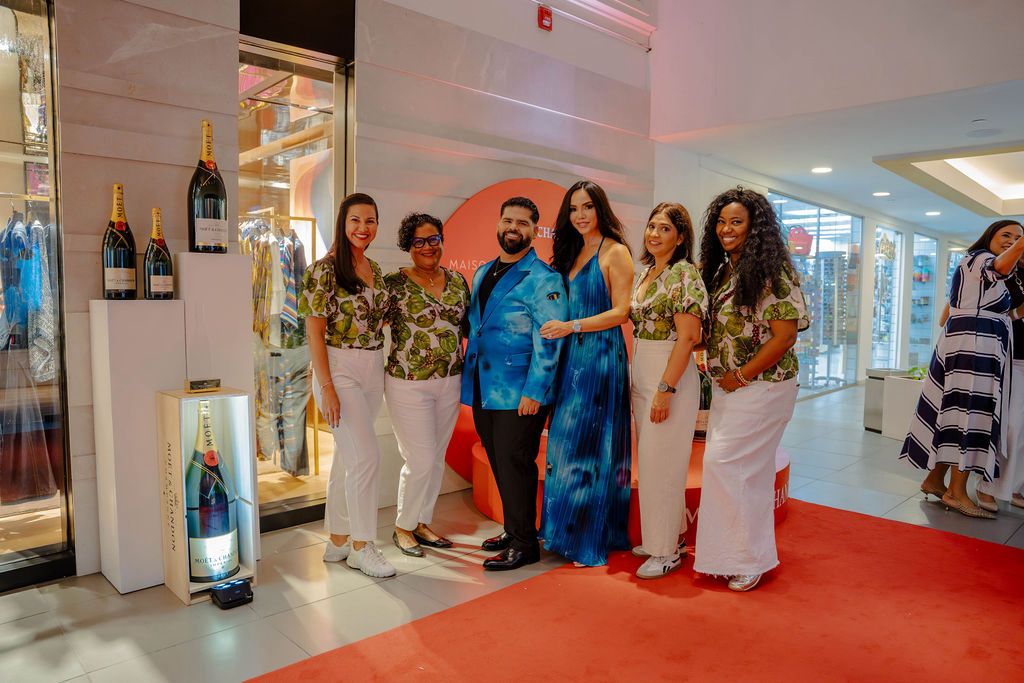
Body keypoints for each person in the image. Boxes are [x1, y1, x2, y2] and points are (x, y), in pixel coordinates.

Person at [693, 187, 809, 592]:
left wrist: (741, 375)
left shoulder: (773, 272)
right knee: (742, 472)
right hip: (729, 387)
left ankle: (747, 559)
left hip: (763, 386)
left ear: (755, 226)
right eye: (721, 222)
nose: (726, 229)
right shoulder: (724, 270)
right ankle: (730, 556)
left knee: (727, 465)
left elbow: (785, 336)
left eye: (736, 222)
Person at [462, 196, 568, 571]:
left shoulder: (544, 278)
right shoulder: (482, 272)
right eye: (508, 220)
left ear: (535, 231)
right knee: (499, 461)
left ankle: (525, 544)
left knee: (516, 464)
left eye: (522, 223)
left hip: (520, 392)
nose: (513, 228)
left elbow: (550, 341)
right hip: (483, 387)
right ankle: (514, 529)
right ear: (499, 223)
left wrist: (535, 392)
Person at [539, 180, 634, 567]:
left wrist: (572, 326)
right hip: (570, 358)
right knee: (565, 445)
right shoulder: (571, 250)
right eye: (574, 208)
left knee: (593, 448)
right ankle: (563, 532)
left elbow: (622, 312)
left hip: (601, 358)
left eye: (588, 207)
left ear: (600, 209)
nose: (580, 215)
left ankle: (589, 540)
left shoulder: (616, 251)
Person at [299, 192, 394, 578]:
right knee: (367, 457)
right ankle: (362, 545)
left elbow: (379, 319)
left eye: (370, 220)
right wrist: (327, 387)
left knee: (348, 456)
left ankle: (338, 538)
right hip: (338, 367)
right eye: (355, 220)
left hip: (373, 366)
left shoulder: (375, 269)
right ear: (343, 223)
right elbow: (314, 333)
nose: (363, 228)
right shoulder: (323, 270)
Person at [902, 220, 1024, 518]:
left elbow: (1006, 311)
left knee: (957, 414)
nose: (1012, 241)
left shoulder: (983, 268)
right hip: (975, 348)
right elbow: (999, 269)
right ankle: (956, 492)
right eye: (1006, 235)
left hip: (976, 346)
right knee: (972, 416)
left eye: (1018, 237)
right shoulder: (980, 259)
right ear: (989, 237)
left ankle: (935, 480)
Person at [384, 213, 470, 557]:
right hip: (408, 383)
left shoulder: (458, 281)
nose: (427, 247)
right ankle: (403, 526)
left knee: (435, 459)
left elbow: (468, 327)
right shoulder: (394, 284)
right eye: (418, 242)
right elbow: (371, 327)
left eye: (433, 239)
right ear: (409, 246)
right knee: (419, 459)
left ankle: (422, 522)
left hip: (450, 380)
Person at [629, 202, 706, 579]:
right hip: (642, 368)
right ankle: (665, 537)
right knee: (652, 463)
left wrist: (665, 388)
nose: (655, 234)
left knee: (662, 464)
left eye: (664, 228)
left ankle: (664, 553)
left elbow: (689, 337)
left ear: (680, 237)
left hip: (668, 372)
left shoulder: (684, 273)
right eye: (652, 226)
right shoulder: (647, 272)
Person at [977, 253, 1024, 511]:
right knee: (1010, 426)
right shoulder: (1002, 272)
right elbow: (989, 312)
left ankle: (1015, 486)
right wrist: (1018, 312)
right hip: (1012, 359)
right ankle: (989, 486)